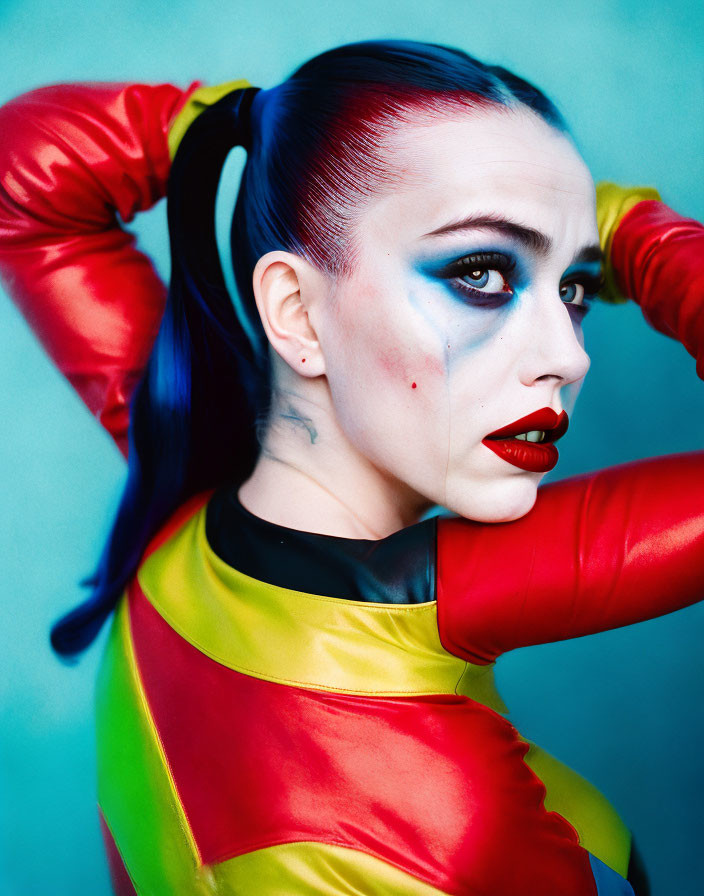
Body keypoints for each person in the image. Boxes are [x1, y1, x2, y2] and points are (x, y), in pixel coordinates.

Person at [0, 39, 702, 896]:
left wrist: (249, 131)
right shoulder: (402, 599)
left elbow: (24, 171)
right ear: (295, 311)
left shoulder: (185, 500)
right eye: (480, 272)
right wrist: (636, 230)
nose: (568, 356)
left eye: (575, 288)